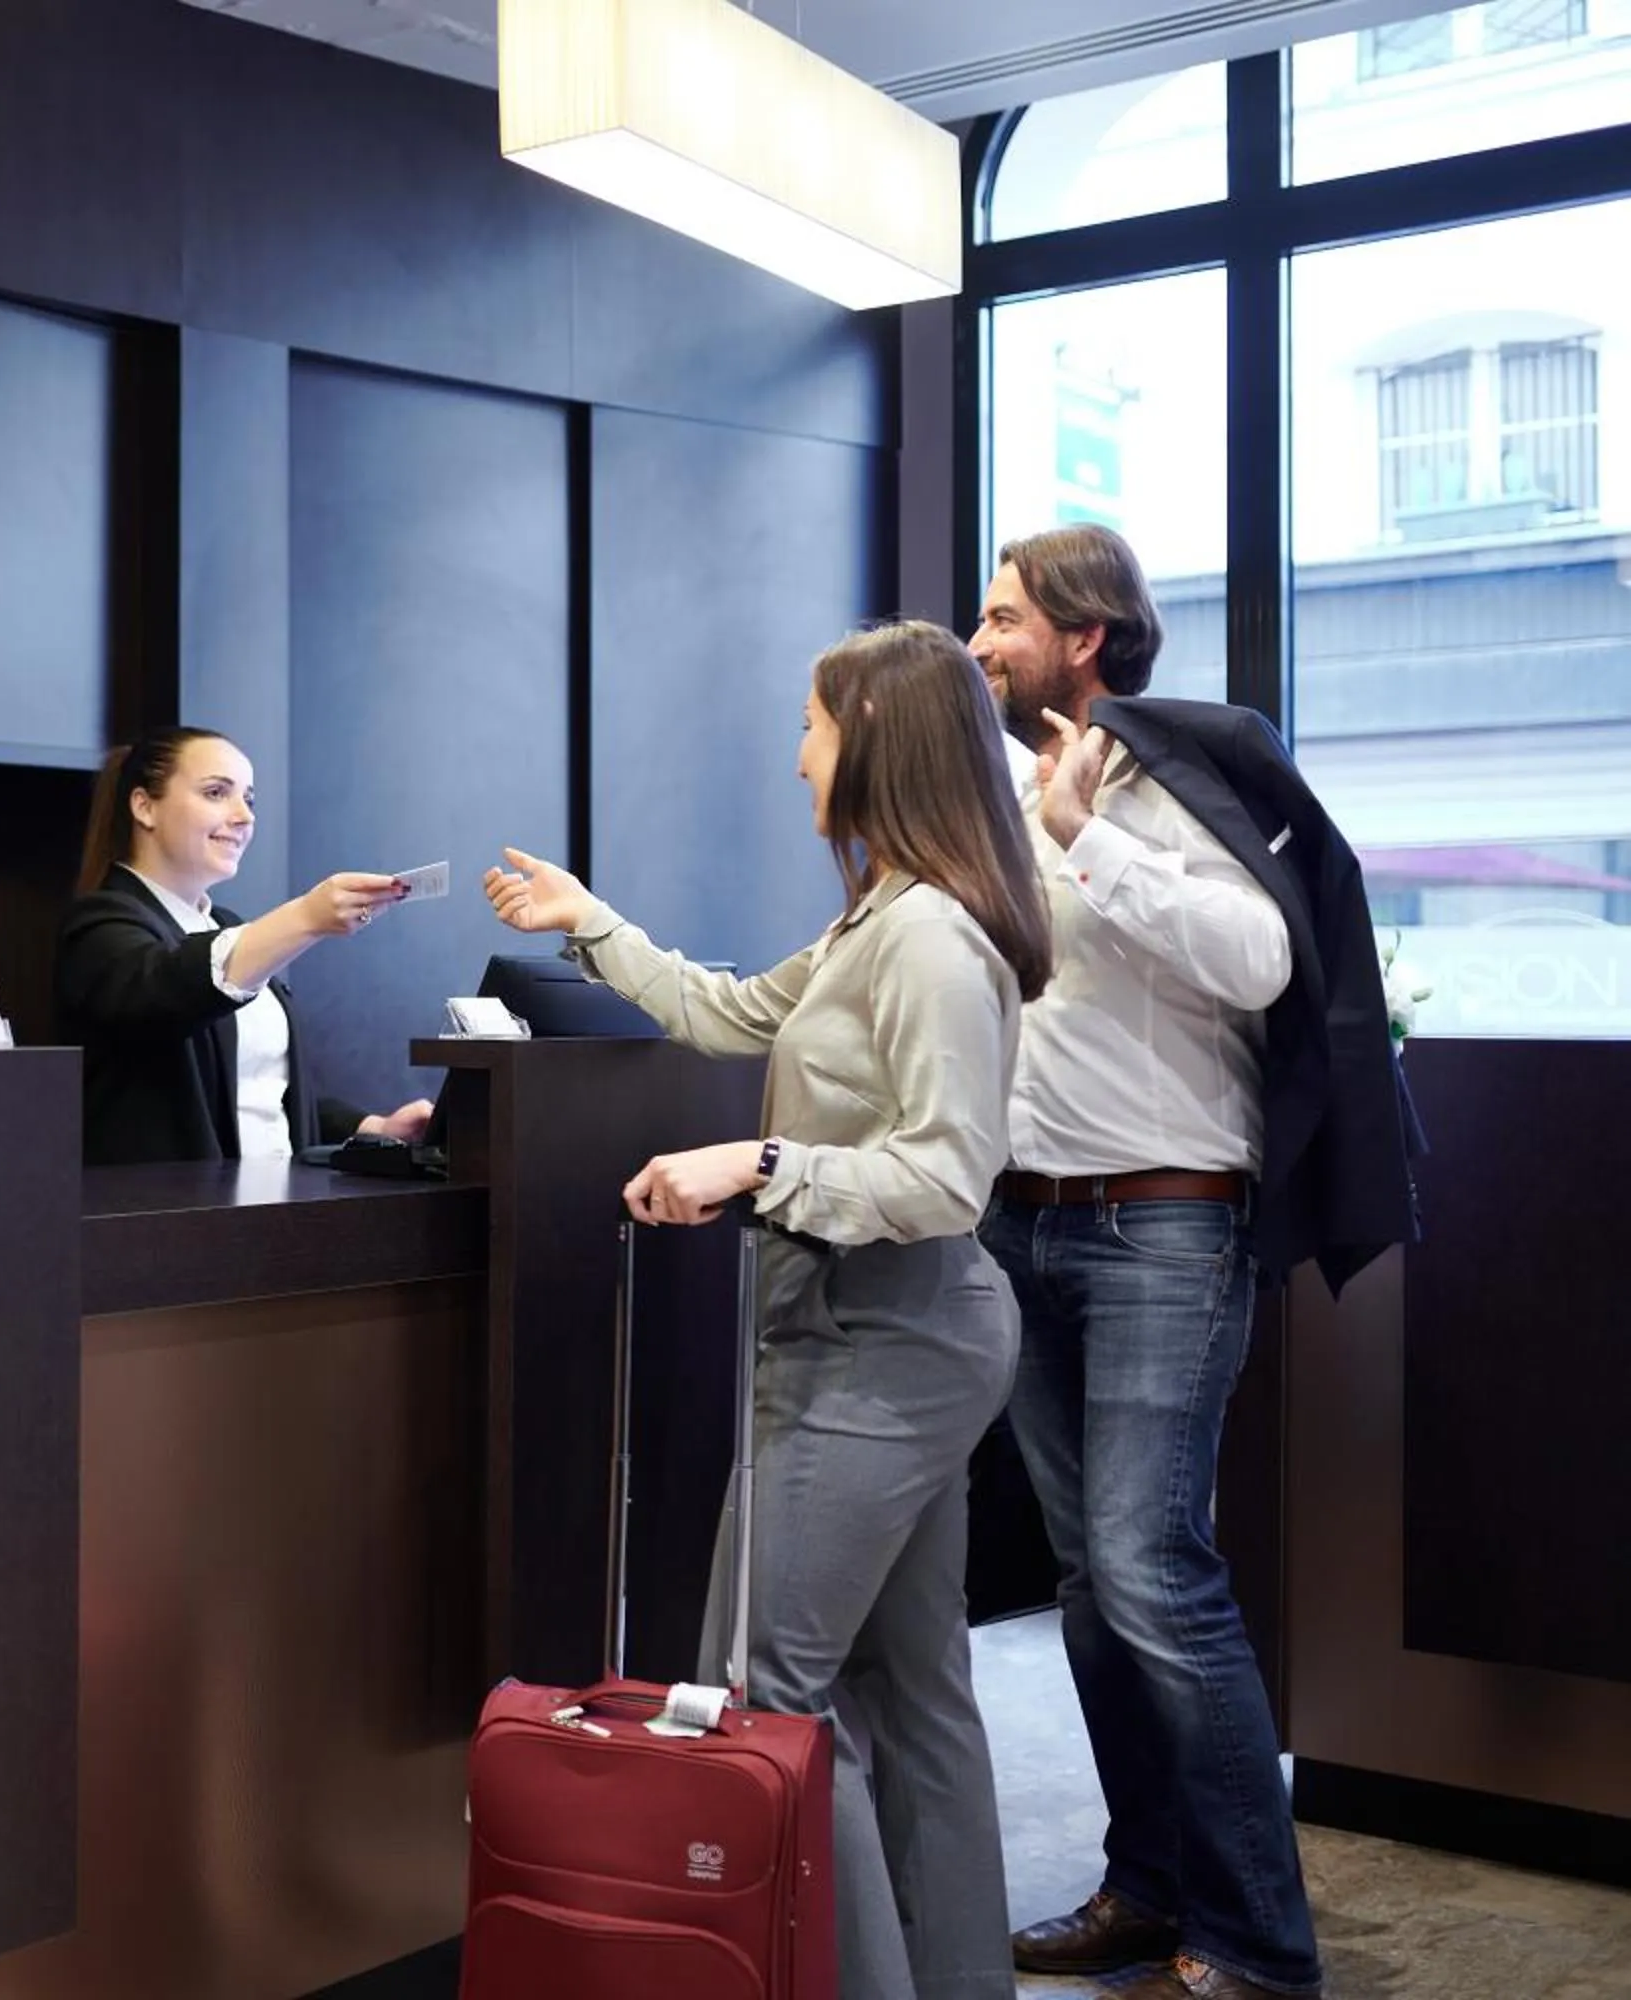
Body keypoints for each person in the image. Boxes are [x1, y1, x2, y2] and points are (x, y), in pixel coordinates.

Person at [485, 620, 1051, 2000]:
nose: (795, 753)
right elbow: (735, 1012)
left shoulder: (926, 937)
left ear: (873, 737)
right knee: (911, 1704)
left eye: (810, 723)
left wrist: (760, 1164)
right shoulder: (883, 918)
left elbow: (945, 1173)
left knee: (772, 1703)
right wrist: (594, 927)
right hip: (888, 1336)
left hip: (884, 1342)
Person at [968, 526, 1414, 2000]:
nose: (980, 643)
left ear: (1085, 635)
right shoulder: (1007, 797)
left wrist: (1091, 836)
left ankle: (1259, 1938)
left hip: (1166, 1223)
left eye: (1004, 616)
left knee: (1155, 1574)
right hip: (1026, 1223)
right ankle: (1148, 1887)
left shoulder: (1170, 783)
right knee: (1092, 1588)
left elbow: (1261, 958)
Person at [54, 726, 436, 1167]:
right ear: (144, 806)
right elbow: (167, 987)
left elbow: (262, 1093)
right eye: (217, 793)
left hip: (272, 1208)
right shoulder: (99, 925)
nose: (244, 817)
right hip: (166, 1216)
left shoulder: (227, 926)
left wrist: (374, 1128)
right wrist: (305, 917)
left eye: (249, 800)